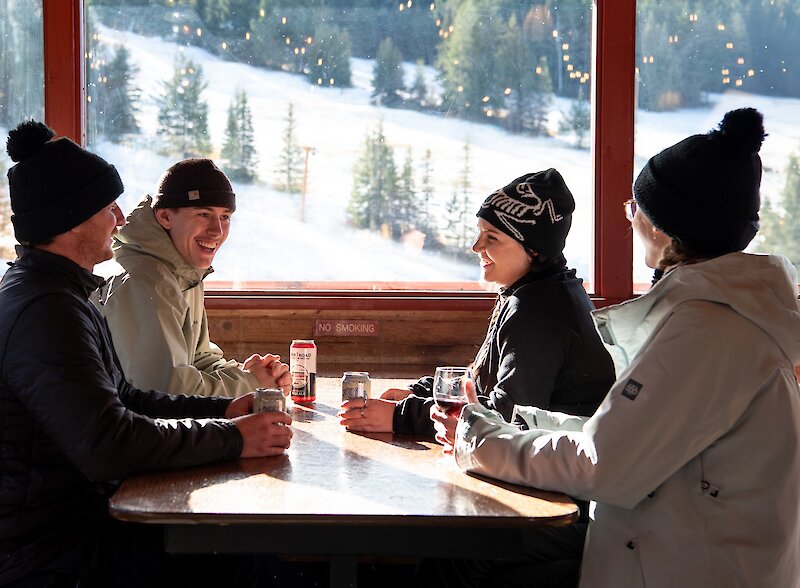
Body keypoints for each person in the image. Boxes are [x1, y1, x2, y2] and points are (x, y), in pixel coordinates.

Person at [433, 108, 800, 587]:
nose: (629, 217)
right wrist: (528, 423)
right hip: (682, 547)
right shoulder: (717, 316)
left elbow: (600, 463)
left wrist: (480, 440)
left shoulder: (709, 329)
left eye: (634, 207)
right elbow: (632, 437)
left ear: (665, 227)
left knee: (459, 558)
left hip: (688, 566)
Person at [0, 121, 293, 587]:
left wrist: (224, 408)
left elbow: (127, 397)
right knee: (253, 561)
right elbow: (108, 444)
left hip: (75, 525)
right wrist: (233, 438)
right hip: (52, 550)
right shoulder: (46, 311)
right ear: (71, 217)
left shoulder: (60, 292)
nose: (119, 219)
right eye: (107, 207)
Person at [340, 169, 614, 441]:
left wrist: (403, 417)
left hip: (554, 469)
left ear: (534, 249)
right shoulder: (538, 290)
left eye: (492, 238)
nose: (475, 246)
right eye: (479, 233)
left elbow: (510, 417)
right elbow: (484, 381)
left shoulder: (540, 312)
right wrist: (422, 392)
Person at [95, 158, 289, 398]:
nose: (217, 230)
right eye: (203, 214)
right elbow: (166, 391)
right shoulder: (147, 280)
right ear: (165, 217)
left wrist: (248, 374)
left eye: (225, 217)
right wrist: (250, 383)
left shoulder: (182, 271)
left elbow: (198, 359)